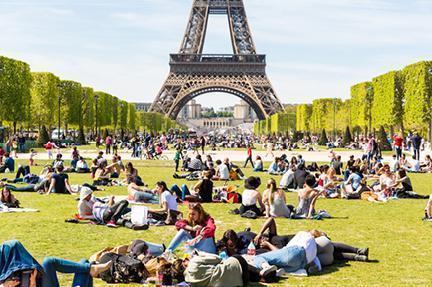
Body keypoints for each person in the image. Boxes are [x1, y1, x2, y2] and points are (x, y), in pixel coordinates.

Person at [0, 240, 112, 287]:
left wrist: (34, 274)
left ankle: (89, 268)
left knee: (83, 262)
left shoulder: (13, 267)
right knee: (83, 264)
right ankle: (90, 268)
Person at [251, 230, 322, 275]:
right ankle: (275, 272)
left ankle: (266, 267)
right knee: (277, 266)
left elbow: (284, 251)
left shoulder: (304, 234)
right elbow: (317, 263)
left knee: (259, 257)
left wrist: (267, 244)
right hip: (299, 265)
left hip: (295, 252)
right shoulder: (314, 248)